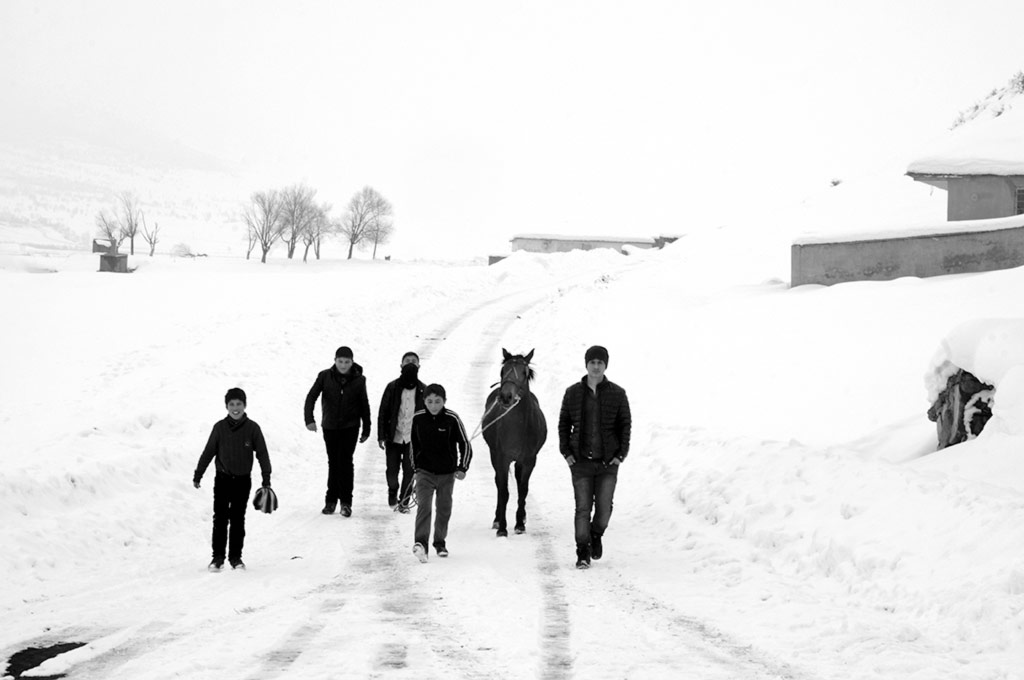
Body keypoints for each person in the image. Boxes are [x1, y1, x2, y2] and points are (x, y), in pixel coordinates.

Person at [558, 345, 631, 569]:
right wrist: (567, 452)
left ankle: (596, 534)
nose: (596, 366)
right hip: (580, 462)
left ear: (605, 365)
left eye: (600, 362)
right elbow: (564, 424)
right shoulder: (573, 392)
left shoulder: (617, 393)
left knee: (604, 508)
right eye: (593, 362)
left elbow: (624, 425)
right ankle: (582, 551)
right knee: (582, 508)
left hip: (608, 462)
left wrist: (620, 454)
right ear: (586, 364)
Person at [193, 387, 272, 571]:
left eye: (239, 404)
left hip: (243, 481)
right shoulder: (219, 428)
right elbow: (208, 452)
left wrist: (266, 478)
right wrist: (199, 473)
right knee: (220, 518)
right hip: (223, 480)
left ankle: (236, 558)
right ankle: (217, 558)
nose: (235, 408)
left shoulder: (253, 428)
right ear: (226, 406)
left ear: (245, 405)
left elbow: (262, 454)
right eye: (231, 404)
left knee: (237, 519)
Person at [304, 346, 371, 517]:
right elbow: (311, 396)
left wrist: (366, 428)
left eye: (347, 362)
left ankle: (346, 502)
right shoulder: (325, 376)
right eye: (340, 361)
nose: (343, 365)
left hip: (350, 427)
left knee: (345, 462)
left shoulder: (359, 379)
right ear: (334, 360)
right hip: (330, 426)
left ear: (352, 362)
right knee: (333, 462)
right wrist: (309, 419)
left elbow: (364, 404)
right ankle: (330, 500)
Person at [409, 384, 472, 562]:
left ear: (444, 401)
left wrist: (462, 467)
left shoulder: (452, 419)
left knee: (444, 508)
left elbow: (465, 444)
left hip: (446, 474)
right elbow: (413, 446)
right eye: (429, 401)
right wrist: (415, 469)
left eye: (438, 401)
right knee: (424, 507)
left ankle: (439, 542)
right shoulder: (418, 418)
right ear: (424, 401)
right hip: (424, 472)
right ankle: (421, 543)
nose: (433, 406)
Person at [377, 351, 426, 512]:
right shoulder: (392, 387)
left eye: (414, 361)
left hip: (413, 439)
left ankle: (404, 500)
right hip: (394, 436)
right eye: (407, 361)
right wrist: (381, 435)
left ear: (419, 366)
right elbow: (383, 412)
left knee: (409, 471)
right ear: (401, 365)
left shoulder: (423, 390)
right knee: (392, 471)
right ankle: (392, 490)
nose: (410, 363)